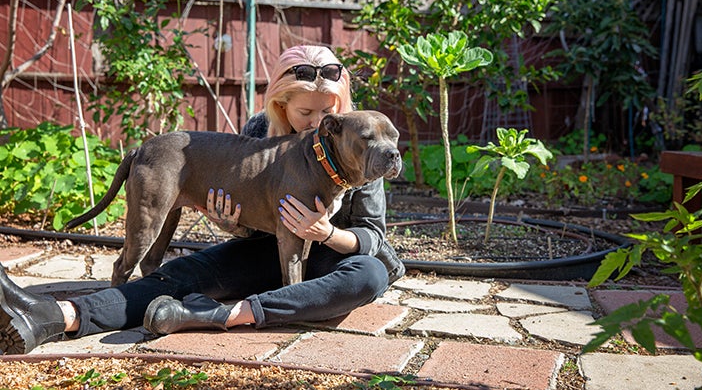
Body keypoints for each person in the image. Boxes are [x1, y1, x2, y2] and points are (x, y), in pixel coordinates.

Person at [0, 45, 405, 355]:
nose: (316, 123)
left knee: (370, 275)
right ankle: (54, 314)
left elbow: (373, 236)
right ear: (282, 104)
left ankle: (223, 314)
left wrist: (327, 232)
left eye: (325, 111)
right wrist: (233, 224)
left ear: (337, 113)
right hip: (262, 254)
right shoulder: (260, 132)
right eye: (305, 112)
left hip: (332, 264)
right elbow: (251, 224)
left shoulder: (363, 141)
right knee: (176, 276)